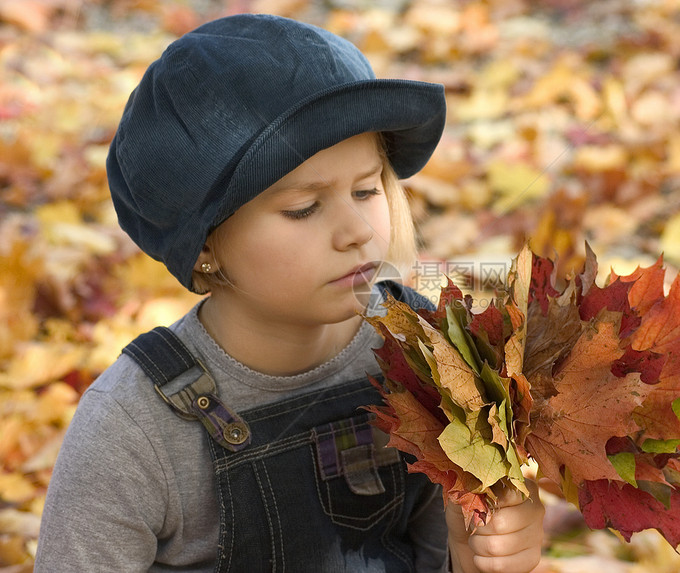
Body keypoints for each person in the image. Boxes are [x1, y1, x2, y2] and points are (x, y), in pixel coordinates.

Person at [34, 14, 544, 573]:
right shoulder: (133, 430)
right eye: (304, 207)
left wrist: (478, 556)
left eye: (367, 189)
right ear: (206, 246)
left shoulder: (424, 352)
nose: (356, 231)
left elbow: (436, 554)